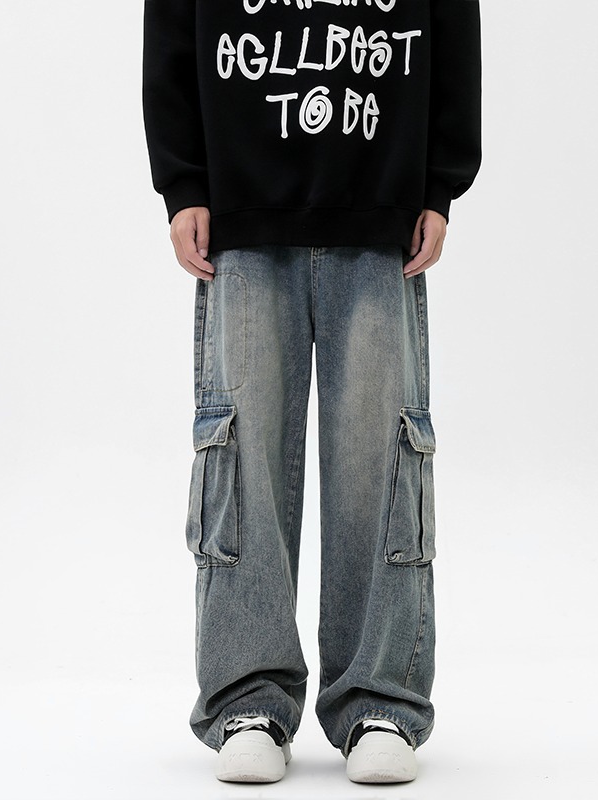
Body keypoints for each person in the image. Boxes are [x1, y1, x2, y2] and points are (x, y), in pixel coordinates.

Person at [142, 0, 481, 784]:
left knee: (378, 456)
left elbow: (453, 19)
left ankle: (379, 699)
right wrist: (183, 181)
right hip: (240, 203)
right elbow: (172, 20)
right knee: (243, 455)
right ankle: (246, 697)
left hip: (383, 203)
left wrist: (439, 183)